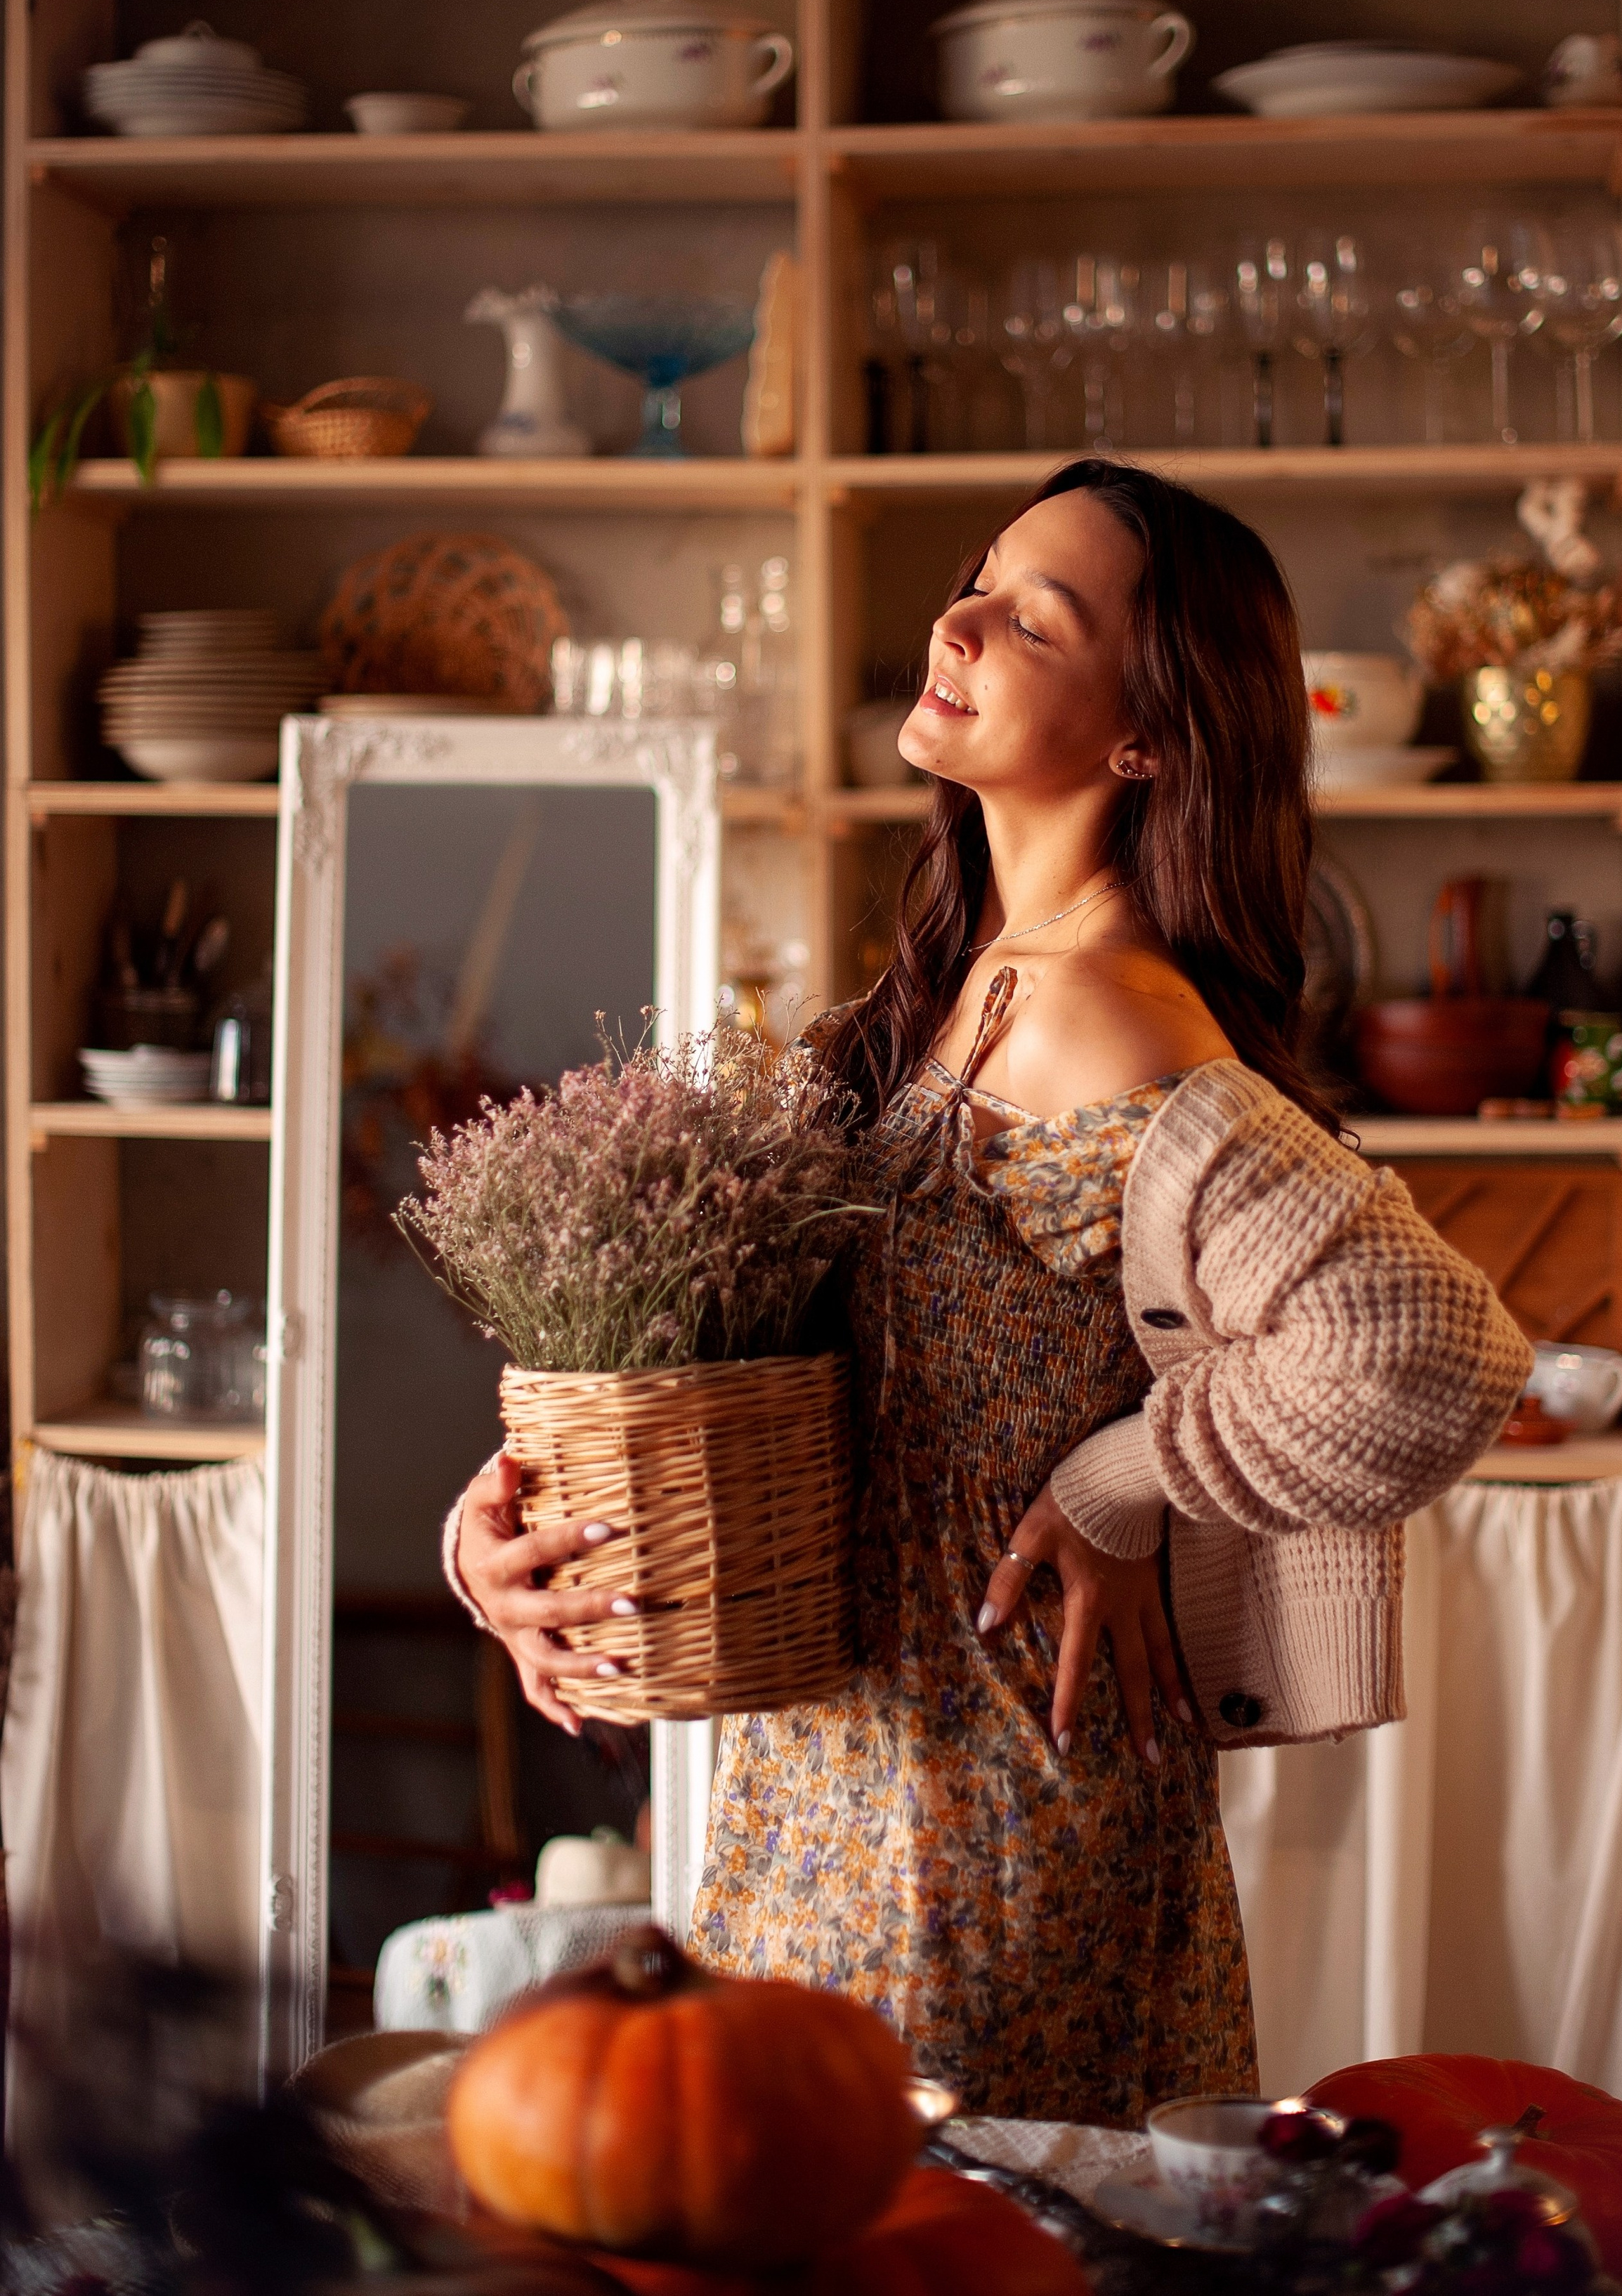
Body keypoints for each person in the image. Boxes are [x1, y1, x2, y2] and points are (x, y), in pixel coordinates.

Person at [445, 459, 1531, 2123]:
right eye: (977, 578)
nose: (954, 620)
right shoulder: (952, 1001)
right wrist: (507, 1531)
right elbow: (785, 1385)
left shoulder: (1111, 1016)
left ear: (1145, 736)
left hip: (989, 1833)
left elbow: (1432, 1349)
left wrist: (1121, 1484)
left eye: (1033, 615)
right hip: (824, 1798)